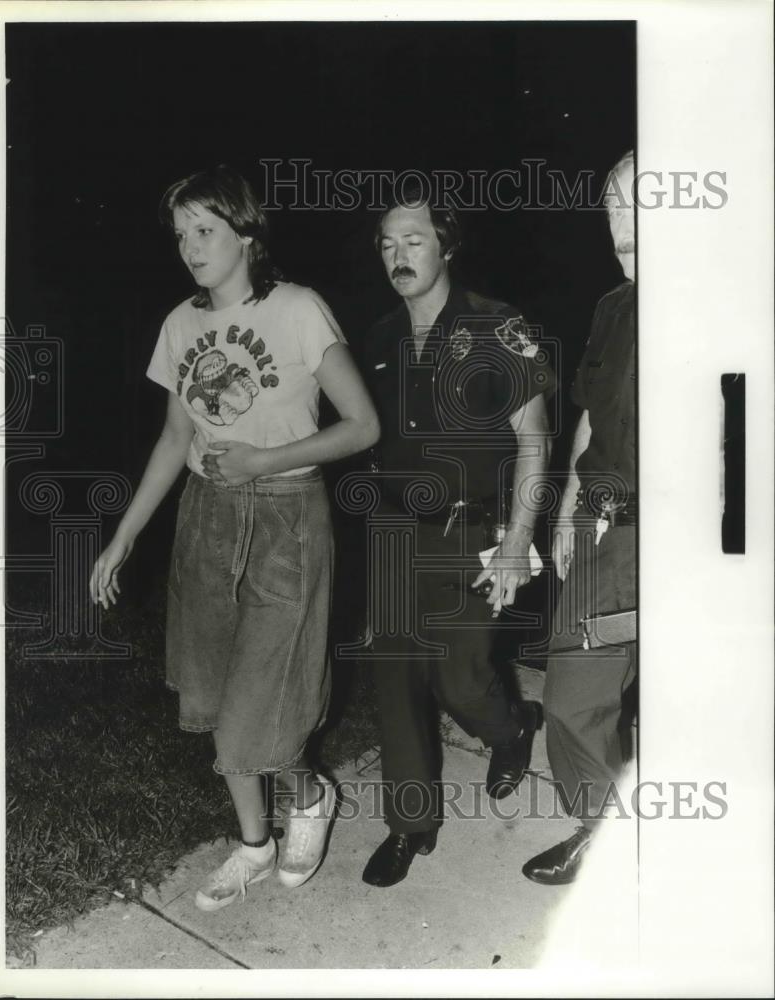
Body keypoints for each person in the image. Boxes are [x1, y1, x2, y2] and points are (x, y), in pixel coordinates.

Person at [89, 165, 379, 910]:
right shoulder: (180, 325)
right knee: (218, 697)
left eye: (206, 229)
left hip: (287, 519)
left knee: (265, 699)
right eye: (182, 232)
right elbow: (171, 439)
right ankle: (252, 844)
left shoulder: (298, 309)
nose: (190, 246)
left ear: (246, 235)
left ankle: (308, 797)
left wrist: (265, 458)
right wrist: (123, 537)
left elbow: (362, 426)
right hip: (206, 519)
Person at [360, 182, 555, 887]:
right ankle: (411, 825)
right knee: (394, 682)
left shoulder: (495, 326)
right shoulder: (379, 338)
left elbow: (533, 440)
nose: (398, 255)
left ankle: (512, 728)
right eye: (386, 244)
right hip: (392, 533)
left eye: (413, 240)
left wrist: (515, 542)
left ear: (445, 244)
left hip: (471, 531)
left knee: (460, 679)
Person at [522, 151, 637, 885]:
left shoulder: (732, 304)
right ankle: (602, 834)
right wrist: (564, 511)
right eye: (611, 207)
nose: (619, 222)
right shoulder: (610, 309)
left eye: (638, 203)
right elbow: (590, 418)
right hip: (604, 527)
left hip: (698, 539)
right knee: (570, 697)